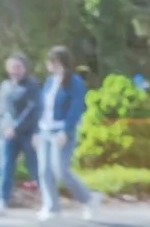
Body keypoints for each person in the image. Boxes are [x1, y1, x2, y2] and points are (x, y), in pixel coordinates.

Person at [33, 46, 101, 218]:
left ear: (61, 63)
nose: (49, 65)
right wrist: (36, 130)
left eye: (52, 61)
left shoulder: (74, 82)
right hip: (45, 130)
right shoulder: (49, 81)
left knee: (61, 170)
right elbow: (42, 107)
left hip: (62, 131)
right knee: (44, 170)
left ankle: (88, 198)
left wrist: (65, 131)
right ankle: (52, 207)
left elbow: (75, 109)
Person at [0, 52, 38, 216]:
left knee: (34, 168)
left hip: (27, 134)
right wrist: (6, 127)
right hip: (7, 134)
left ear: (25, 68)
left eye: (18, 67)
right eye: (12, 67)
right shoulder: (5, 86)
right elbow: (3, 110)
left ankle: (50, 201)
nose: (15, 70)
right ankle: (2, 201)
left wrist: (15, 127)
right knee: (5, 167)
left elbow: (32, 110)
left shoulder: (32, 86)